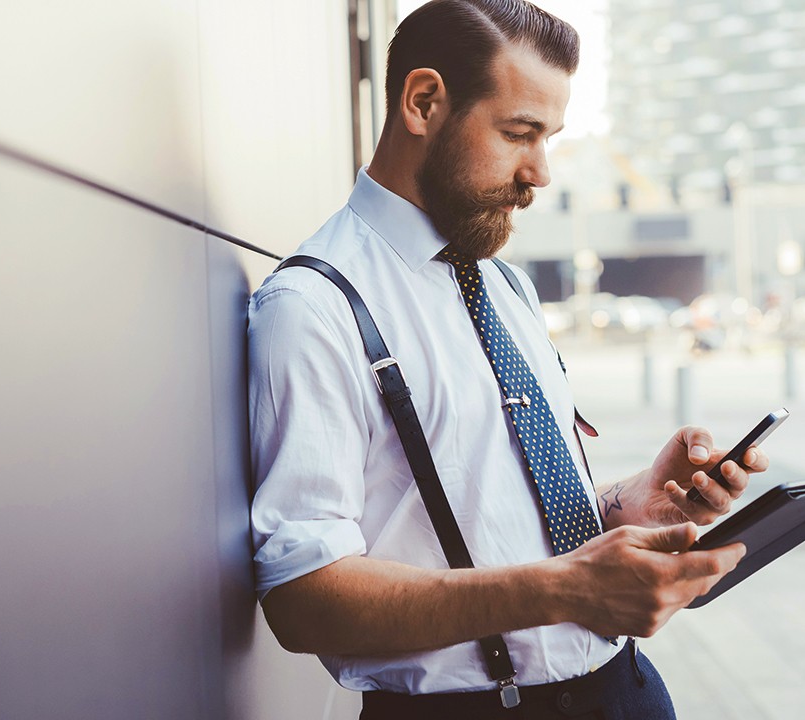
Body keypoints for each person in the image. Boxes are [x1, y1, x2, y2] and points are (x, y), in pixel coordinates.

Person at [246, 1, 769, 717]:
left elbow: (499, 509)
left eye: (548, 138)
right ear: (423, 102)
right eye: (519, 134)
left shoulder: (504, 283)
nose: (541, 172)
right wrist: (566, 587)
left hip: (626, 689)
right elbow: (303, 601)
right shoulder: (314, 306)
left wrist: (631, 503)